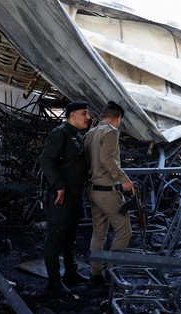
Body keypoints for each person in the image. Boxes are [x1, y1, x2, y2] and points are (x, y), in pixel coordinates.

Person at [38, 100, 91, 293]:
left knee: (70, 237)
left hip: (74, 194)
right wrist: (59, 186)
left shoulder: (76, 135)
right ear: (72, 115)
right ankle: (54, 281)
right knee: (55, 236)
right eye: (84, 113)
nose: (88, 117)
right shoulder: (59, 134)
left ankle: (70, 273)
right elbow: (45, 160)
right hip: (60, 196)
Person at [83, 100, 134, 284]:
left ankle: (95, 274)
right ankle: (113, 273)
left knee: (99, 233)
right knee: (124, 231)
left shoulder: (91, 133)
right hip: (107, 191)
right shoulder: (111, 132)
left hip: (93, 190)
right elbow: (106, 158)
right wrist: (124, 179)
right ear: (118, 118)